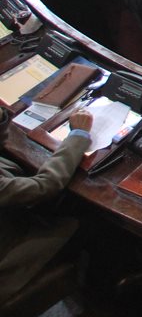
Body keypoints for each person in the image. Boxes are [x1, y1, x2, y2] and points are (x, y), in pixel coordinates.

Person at [0, 106, 93, 303]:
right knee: (95, 219)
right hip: (10, 253)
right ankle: (102, 296)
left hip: (11, 214)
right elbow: (45, 186)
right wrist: (79, 135)